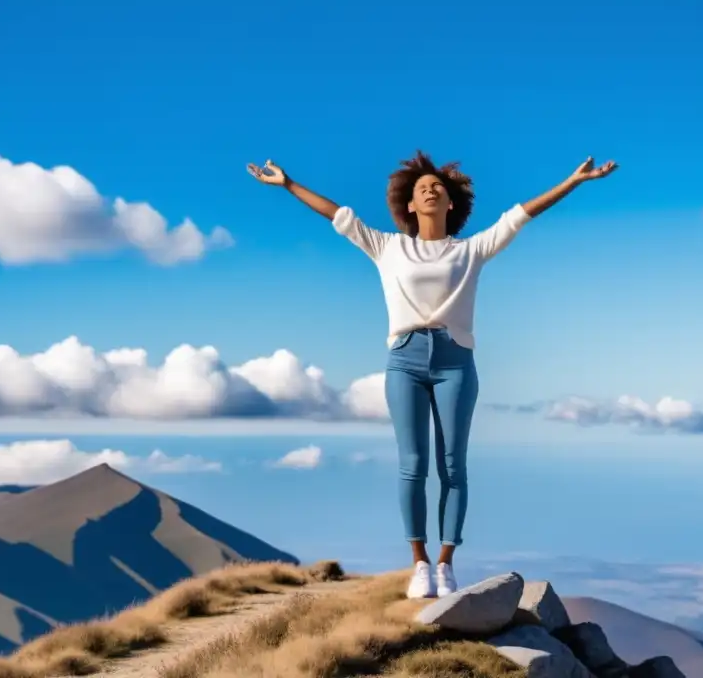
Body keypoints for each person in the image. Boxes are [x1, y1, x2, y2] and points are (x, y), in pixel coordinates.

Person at [247, 150, 618, 598]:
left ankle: (445, 564)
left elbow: (521, 214)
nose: (430, 188)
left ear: (450, 204)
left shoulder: (471, 250)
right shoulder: (386, 246)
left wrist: (573, 181)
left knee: (452, 466)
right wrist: (288, 184)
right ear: (409, 204)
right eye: (422, 187)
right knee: (412, 466)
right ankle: (419, 563)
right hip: (403, 359)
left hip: (455, 362)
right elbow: (337, 215)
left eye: (438, 187)